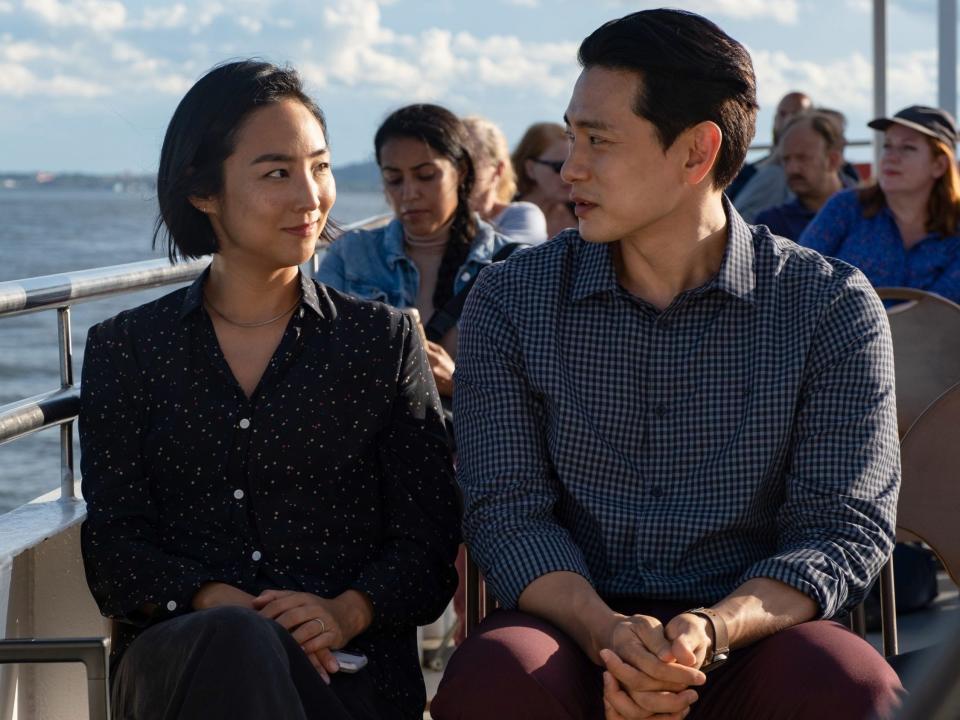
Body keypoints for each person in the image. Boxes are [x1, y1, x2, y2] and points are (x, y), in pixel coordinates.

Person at [433, 9, 902, 720]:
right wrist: (609, 633)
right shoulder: (513, 298)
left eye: (599, 140)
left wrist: (712, 629)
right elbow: (507, 511)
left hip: (756, 632)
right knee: (495, 676)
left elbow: (839, 528)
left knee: (852, 687)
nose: (570, 166)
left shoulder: (828, 307)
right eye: (570, 134)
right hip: (568, 630)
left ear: (695, 153)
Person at [79, 60, 459, 720]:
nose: (311, 196)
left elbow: (427, 547)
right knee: (236, 642)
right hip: (184, 664)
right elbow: (115, 553)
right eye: (277, 172)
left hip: (348, 671)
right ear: (203, 190)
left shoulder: (382, 343)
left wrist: (343, 613)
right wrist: (215, 601)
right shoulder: (130, 348)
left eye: (320, 166)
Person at [316, 104, 516, 397]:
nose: (409, 193)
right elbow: (318, 361)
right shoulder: (350, 255)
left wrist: (457, 383)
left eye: (426, 176)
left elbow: (532, 392)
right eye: (394, 179)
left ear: (460, 172)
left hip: (462, 442)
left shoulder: (510, 265)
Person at [799, 105, 960, 303]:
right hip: (842, 334)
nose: (891, 156)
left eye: (908, 147)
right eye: (887, 146)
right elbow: (798, 276)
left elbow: (943, 315)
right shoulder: (846, 207)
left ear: (939, 165)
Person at [754, 112, 846, 240]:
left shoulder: (869, 212)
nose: (792, 169)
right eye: (786, 159)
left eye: (803, 158)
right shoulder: (771, 225)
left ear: (833, 160)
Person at [463, 115, 548, 244]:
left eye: (470, 161)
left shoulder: (522, 215)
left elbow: (511, 255)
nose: (459, 170)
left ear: (498, 170)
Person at [728, 91, 812, 221]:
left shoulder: (832, 172)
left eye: (796, 115)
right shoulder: (746, 172)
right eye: (782, 114)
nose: (788, 120)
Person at [512, 121, 578, 238]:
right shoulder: (503, 216)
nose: (569, 174)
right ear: (530, 169)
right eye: (558, 166)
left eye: (575, 165)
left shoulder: (583, 214)